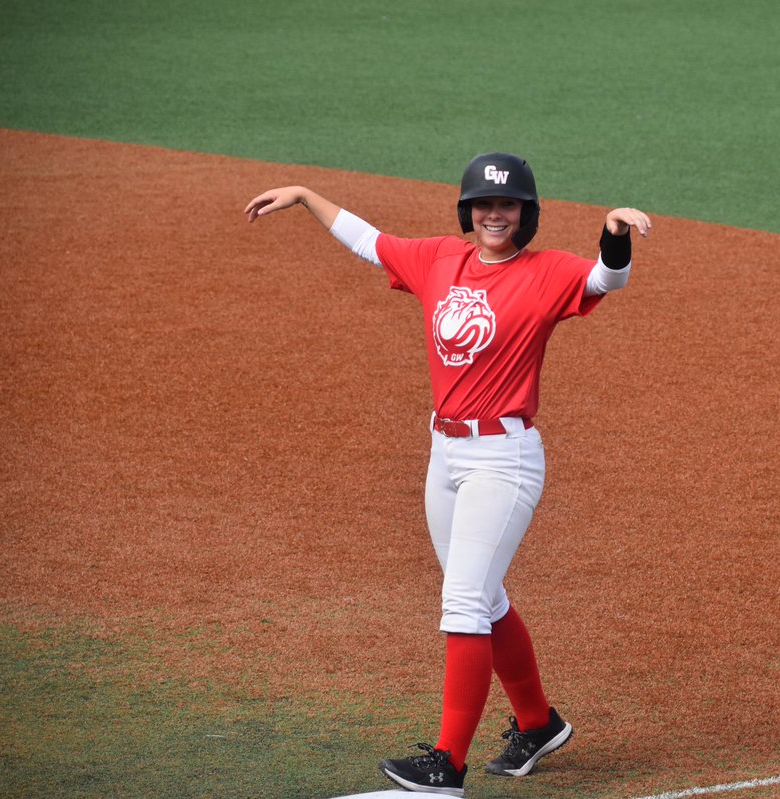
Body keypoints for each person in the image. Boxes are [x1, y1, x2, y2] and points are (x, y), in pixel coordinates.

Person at [244, 152, 651, 797]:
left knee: (462, 602)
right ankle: (538, 722)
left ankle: (446, 765)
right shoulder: (441, 259)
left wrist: (614, 233)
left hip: (503, 458)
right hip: (446, 455)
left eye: (508, 205)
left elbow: (608, 280)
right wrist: (304, 193)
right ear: (469, 210)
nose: (496, 215)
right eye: (485, 205)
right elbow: (369, 242)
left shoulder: (547, 273)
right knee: (484, 599)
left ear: (526, 213)